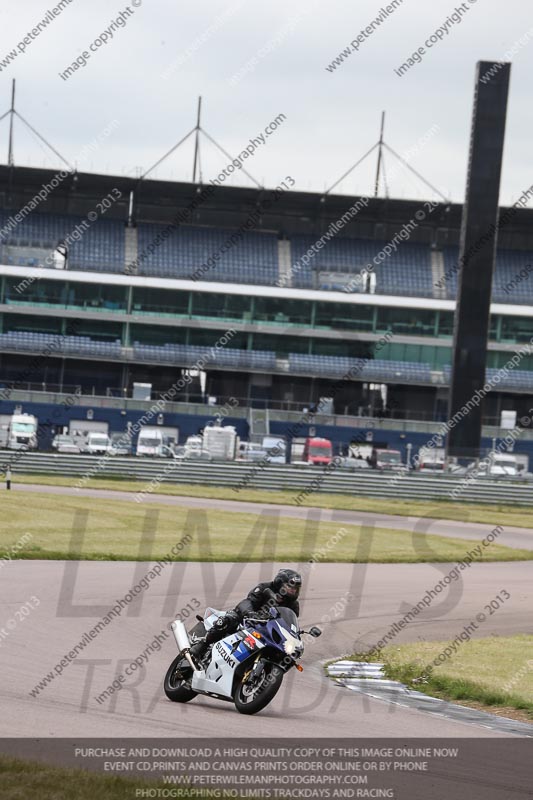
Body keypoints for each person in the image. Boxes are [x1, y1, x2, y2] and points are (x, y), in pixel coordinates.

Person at [189, 569, 302, 664]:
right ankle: (203, 644)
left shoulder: (293, 605)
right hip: (248, 619)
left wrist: (295, 635)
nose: (293, 591)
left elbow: (290, 621)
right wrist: (250, 613)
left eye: (295, 589)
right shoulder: (264, 587)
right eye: (290, 587)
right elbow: (248, 602)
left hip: (266, 629)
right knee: (230, 618)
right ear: (279, 583)